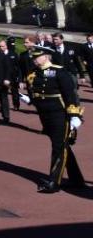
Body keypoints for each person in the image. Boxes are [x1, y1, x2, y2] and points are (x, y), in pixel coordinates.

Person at [21, 44, 85, 193]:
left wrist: (75, 115)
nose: (34, 60)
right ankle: (77, 179)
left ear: (46, 56)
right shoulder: (33, 74)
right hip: (45, 115)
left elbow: (70, 95)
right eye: (34, 58)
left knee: (58, 147)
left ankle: (54, 182)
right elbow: (37, 94)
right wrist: (30, 100)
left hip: (60, 115)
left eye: (37, 57)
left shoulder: (59, 72)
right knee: (63, 146)